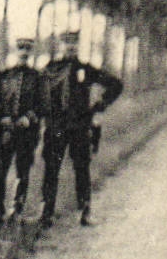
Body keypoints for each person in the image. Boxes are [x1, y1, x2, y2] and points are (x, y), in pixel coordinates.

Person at [38, 30, 122, 228]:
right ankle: (46, 214)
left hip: (79, 126)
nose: (70, 47)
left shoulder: (85, 69)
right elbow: (40, 94)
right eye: (67, 43)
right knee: (51, 169)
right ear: (61, 45)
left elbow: (115, 84)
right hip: (56, 127)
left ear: (78, 46)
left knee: (82, 169)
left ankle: (85, 211)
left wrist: (99, 106)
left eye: (74, 43)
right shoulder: (51, 68)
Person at [0, 36, 43, 221]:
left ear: (30, 52)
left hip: (27, 132)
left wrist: (28, 117)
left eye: (27, 49)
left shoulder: (37, 77)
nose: (23, 53)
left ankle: (17, 208)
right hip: (6, 130)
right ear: (16, 51)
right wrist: (3, 117)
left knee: (23, 170)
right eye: (21, 48)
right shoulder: (5, 75)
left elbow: (43, 104)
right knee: (1, 169)